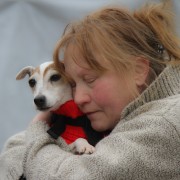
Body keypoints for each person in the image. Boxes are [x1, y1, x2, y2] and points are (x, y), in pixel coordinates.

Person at [1, 1, 180, 179]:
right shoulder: (124, 115)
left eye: (90, 79)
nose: (78, 98)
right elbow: (12, 148)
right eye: (73, 84)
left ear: (138, 70)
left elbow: (76, 176)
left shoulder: (165, 122)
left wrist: (36, 133)